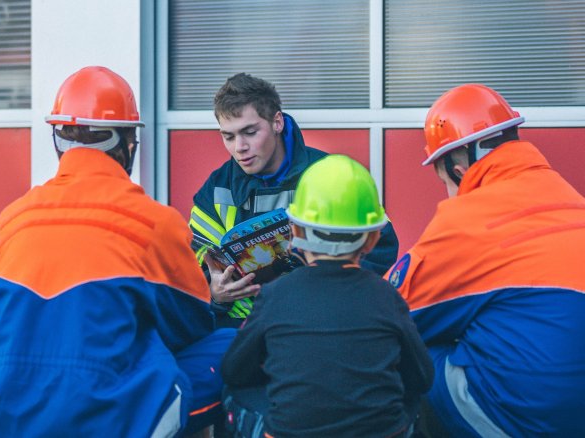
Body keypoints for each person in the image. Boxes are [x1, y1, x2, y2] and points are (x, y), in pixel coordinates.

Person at [0, 66, 235, 437]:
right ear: (130, 143)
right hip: (107, 419)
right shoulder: (155, 223)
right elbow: (190, 327)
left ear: (57, 139)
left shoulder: (12, 218)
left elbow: (0, 311)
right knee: (230, 345)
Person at [387, 84, 585, 437]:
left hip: (530, 416)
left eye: (441, 174)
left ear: (458, 164)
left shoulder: (467, 221)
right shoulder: (569, 199)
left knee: (412, 352)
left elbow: (385, 312)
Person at [221, 155, 433, 437]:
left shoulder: (275, 295)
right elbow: (421, 376)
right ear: (372, 238)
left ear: (294, 231)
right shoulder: (387, 296)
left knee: (231, 392)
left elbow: (235, 370)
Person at [190, 73, 399, 328]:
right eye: (229, 136)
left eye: (250, 132)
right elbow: (193, 266)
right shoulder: (215, 188)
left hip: (322, 324)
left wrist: (324, 290)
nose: (239, 147)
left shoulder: (330, 174)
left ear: (277, 122)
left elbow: (380, 246)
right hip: (240, 330)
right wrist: (215, 294)